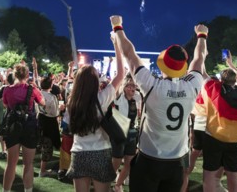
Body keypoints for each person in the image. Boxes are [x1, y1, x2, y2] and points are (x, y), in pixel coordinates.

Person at [110, 15, 207, 192]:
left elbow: (130, 54)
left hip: (149, 159)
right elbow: (199, 58)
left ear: (163, 64)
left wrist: (118, 27)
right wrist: (201, 36)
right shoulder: (192, 85)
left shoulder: (152, 85)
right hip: (176, 162)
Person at [65, 32, 125, 192]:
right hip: (100, 152)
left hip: (79, 153)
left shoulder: (72, 103)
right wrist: (116, 45)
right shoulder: (101, 99)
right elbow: (121, 75)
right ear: (95, 82)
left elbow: (67, 125)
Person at [201, 51, 237, 192]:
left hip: (214, 137)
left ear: (221, 80)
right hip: (234, 139)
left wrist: (202, 56)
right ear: (234, 81)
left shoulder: (215, 89)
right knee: (232, 174)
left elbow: (202, 73)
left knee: (209, 174)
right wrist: (231, 64)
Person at [2, 63, 45, 192]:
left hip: (13, 126)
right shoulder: (32, 89)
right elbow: (43, 103)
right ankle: (28, 190)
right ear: (27, 75)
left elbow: (6, 105)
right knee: (28, 164)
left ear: (14, 75)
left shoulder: (7, 89)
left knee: (11, 164)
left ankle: (6, 191)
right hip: (29, 126)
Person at [112, 75, 141, 192]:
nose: (132, 88)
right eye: (129, 86)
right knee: (116, 162)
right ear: (124, 87)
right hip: (119, 134)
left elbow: (139, 112)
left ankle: (118, 185)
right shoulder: (118, 97)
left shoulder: (138, 97)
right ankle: (106, 182)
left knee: (129, 162)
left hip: (131, 134)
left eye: (133, 86)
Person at [38, 76, 61, 177]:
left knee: (44, 145)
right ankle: (43, 171)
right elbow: (55, 112)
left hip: (40, 119)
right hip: (50, 122)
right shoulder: (51, 97)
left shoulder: (38, 93)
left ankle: (43, 169)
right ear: (50, 85)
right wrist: (61, 108)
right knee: (49, 146)